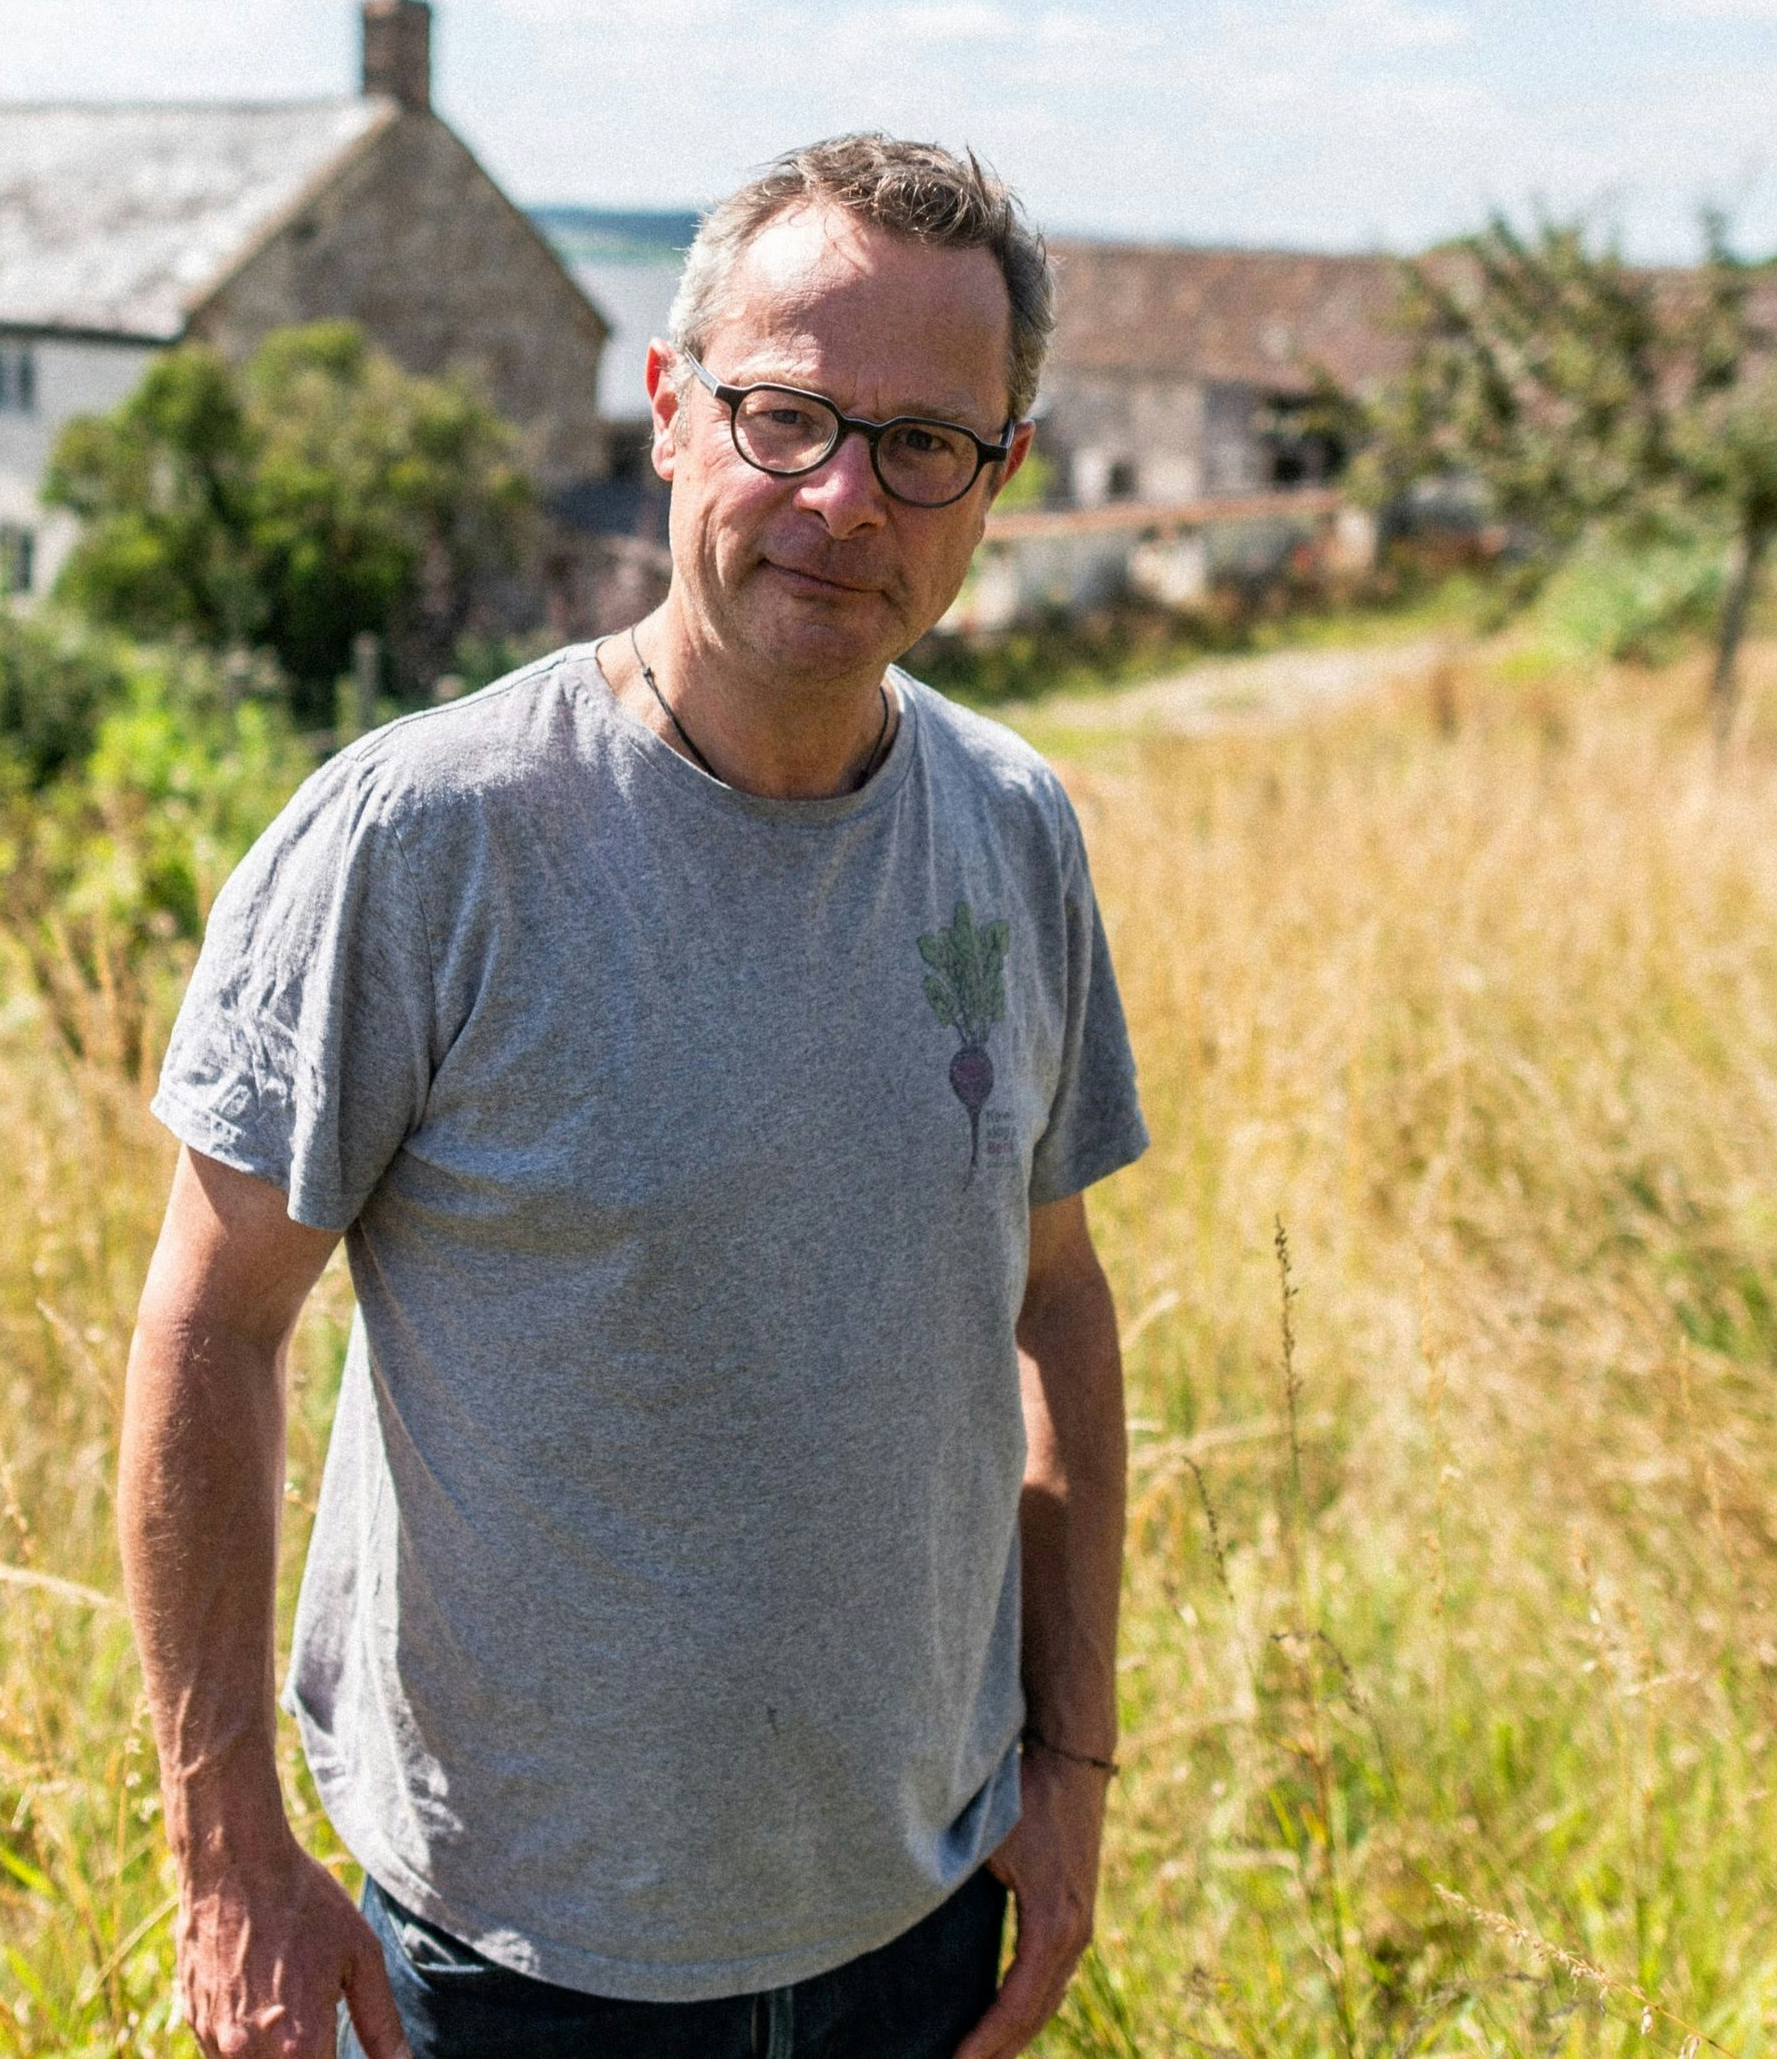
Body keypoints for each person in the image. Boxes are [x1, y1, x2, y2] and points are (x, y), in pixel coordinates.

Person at [118, 132, 1145, 2059]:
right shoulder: (425, 840)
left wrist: (1073, 1762)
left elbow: (1057, 1302)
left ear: (996, 482)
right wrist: (229, 1849)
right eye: (787, 417)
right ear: (672, 413)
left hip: (919, 1922)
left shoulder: (1013, 832)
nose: (847, 495)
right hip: (510, 1961)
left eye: (926, 442)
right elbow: (211, 1318)